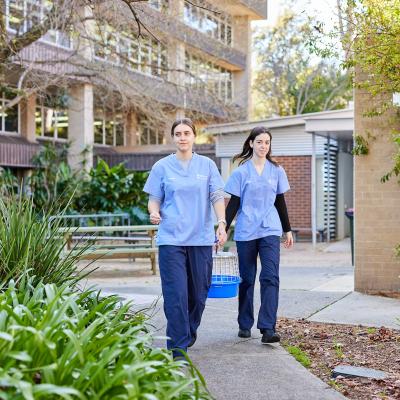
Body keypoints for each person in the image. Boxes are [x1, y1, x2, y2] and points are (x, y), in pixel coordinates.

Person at [143, 118, 227, 359]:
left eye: (187, 133)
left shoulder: (207, 165)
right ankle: (178, 348)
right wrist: (154, 211)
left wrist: (221, 223)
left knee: (198, 294)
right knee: (175, 294)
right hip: (171, 239)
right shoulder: (161, 166)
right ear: (173, 137)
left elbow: (217, 196)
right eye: (178, 133)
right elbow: (154, 198)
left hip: (200, 239)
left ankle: (187, 331)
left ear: (194, 137)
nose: (182, 137)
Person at [224, 126, 293, 344]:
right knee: (247, 279)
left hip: (270, 229)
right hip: (246, 231)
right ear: (251, 143)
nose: (264, 146)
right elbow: (233, 204)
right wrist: (222, 230)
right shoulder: (241, 172)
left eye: (267, 142)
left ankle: (267, 327)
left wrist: (287, 229)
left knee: (270, 276)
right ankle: (245, 323)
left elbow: (280, 201)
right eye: (260, 142)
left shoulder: (277, 170)